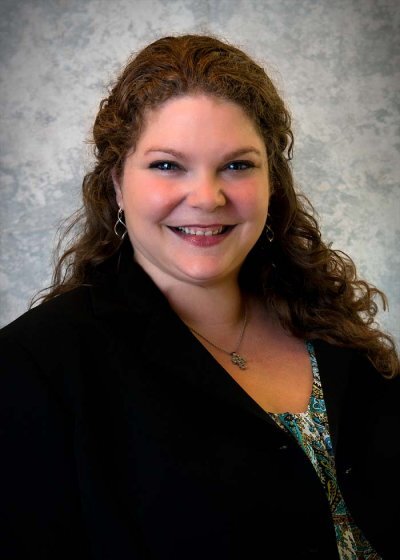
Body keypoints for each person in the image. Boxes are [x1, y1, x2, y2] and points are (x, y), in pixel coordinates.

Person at [0, 34, 399, 560]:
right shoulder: (35, 367)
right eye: (167, 165)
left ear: (272, 182)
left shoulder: (327, 320)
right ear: (117, 181)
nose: (208, 197)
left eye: (237, 165)